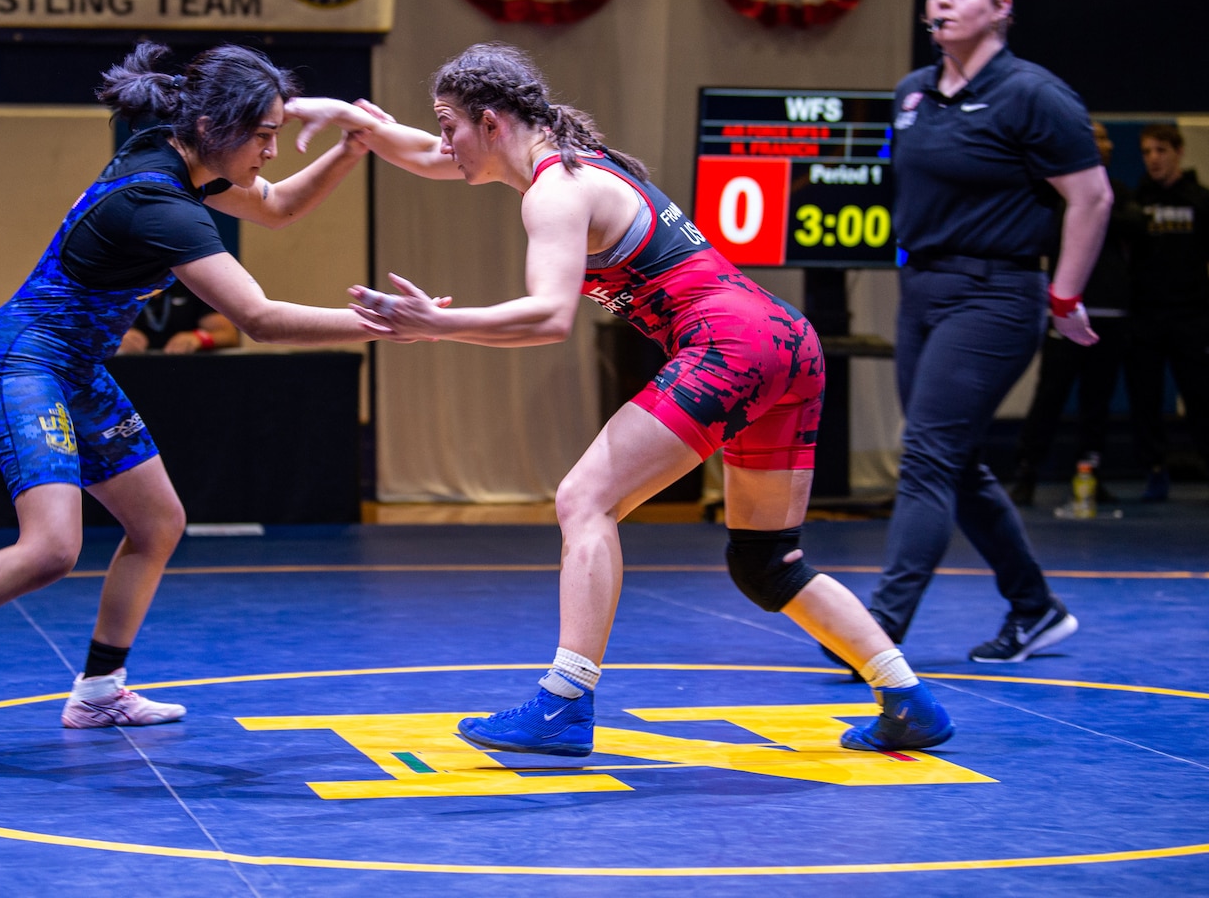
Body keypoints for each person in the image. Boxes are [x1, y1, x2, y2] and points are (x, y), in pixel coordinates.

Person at [300, 42, 954, 756]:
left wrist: (437, 325)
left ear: (491, 123)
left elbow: (548, 317)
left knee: (584, 500)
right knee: (767, 561)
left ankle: (564, 702)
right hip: (787, 342)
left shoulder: (555, 190)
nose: (443, 142)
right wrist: (347, 118)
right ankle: (906, 698)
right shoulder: (571, 158)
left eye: (449, 124)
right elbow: (430, 155)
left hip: (729, 345)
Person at [0, 41, 386, 754]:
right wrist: (389, 324)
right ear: (217, 127)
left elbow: (276, 209)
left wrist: (346, 152)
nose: (273, 152)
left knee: (157, 523)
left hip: (77, 367)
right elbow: (259, 319)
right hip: (21, 362)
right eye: (265, 134)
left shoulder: (179, 158)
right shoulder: (158, 202)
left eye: (279, 133)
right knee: (52, 547)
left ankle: (98, 691)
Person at [865, 0, 1112, 665]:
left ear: (1000, 8)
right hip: (924, 293)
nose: (941, 1)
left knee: (928, 456)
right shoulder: (912, 92)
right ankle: (1035, 609)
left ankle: (875, 633)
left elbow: (1091, 198)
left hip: (996, 295)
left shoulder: (1033, 93)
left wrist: (1064, 296)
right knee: (955, 460)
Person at [1009, 121, 1135, 507]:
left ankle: (1090, 471)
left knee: (1098, 399)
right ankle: (1027, 471)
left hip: (1108, 312)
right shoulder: (1056, 194)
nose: (1104, 144)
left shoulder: (1119, 195)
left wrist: (1099, 207)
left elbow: (1136, 227)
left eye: (1106, 138)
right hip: (1064, 312)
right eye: (1095, 137)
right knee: (1050, 393)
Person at [1123, 122, 1209, 502]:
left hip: (1190, 316)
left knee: (1201, 397)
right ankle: (1154, 470)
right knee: (1145, 398)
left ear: (1178, 152)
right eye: (1146, 152)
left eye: (1161, 150)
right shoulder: (1136, 202)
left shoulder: (1200, 200)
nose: (1154, 159)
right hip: (1145, 316)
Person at [117, 279, 241, 354]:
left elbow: (229, 335)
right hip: (132, 372)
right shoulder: (118, 287)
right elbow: (99, 330)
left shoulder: (191, 284)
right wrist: (115, 337)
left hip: (187, 372)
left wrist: (199, 339)